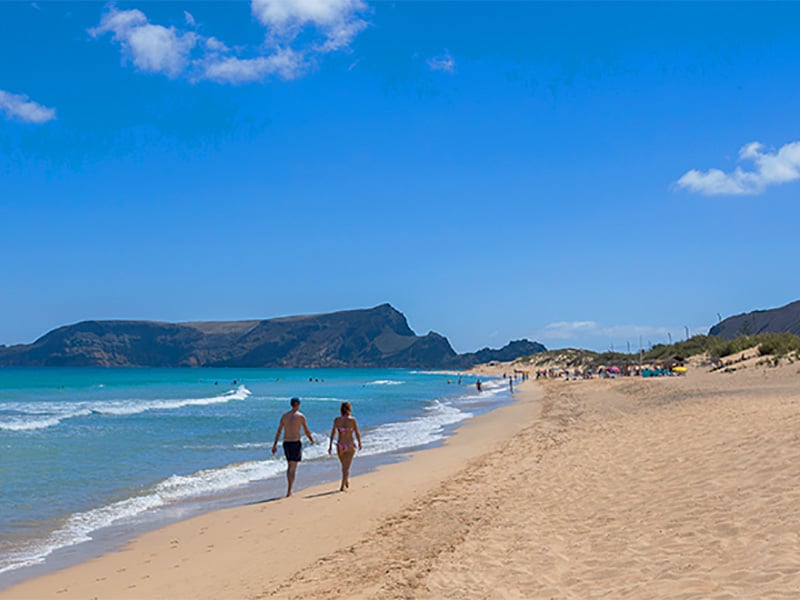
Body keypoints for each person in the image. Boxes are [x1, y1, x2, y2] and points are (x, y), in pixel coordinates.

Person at [272, 397, 314, 497]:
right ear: (298, 404)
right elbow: (306, 430)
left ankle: (289, 488)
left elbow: (279, 431)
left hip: (286, 443)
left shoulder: (284, 416)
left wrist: (275, 445)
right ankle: (290, 490)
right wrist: (311, 439)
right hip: (295, 442)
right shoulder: (301, 416)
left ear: (291, 404)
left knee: (289, 465)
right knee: (293, 466)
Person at [328, 401, 362, 492]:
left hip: (340, 445)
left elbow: (333, 433)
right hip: (350, 445)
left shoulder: (337, 420)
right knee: (345, 467)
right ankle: (344, 482)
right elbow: (357, 433)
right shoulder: (353, 420)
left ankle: (343, 483)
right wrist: (359, 443)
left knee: (344, 466)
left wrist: (330, 445)